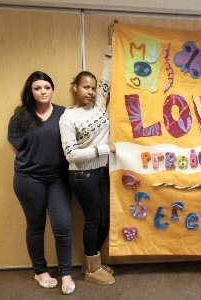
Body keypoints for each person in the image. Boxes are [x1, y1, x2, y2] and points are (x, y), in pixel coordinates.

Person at [59, 21, 117, 285]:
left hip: (102, 170)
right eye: (86, 87)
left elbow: (107, 74)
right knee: (93, 219)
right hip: (82, 176)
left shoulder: (100, 104)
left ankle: (94, 262)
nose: (91, 91)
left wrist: (111, 40)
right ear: (75, 87)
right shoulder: (67, 117)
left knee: (104, 218)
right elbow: (71, 155)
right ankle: (91, 269)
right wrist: (104, 149)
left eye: (93, 88)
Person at [8, 71, 75, 294]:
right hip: (28, 179)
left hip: (58, 179)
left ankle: (66, 273)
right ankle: (40, 271)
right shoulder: (21, 116)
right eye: (37, 88)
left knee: (62, 225)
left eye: (46, 87)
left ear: (52, 89)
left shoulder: (64, 113)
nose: (43, 91)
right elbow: (16, 145)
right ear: (31, 91)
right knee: (35, 225)